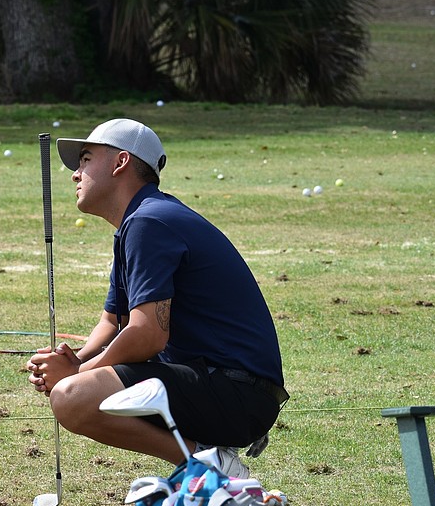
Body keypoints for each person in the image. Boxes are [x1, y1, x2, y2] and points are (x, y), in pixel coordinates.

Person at [25, 119, 287, 478]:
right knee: (73, 387)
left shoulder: (150, 222)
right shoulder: (140, 221)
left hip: (238, 392)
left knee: (73, 396)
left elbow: (148, 334)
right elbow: (112, 322)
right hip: (229, 386)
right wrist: (71, 359)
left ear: (120, 163)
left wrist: (75, 374)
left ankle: (207, 464)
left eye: (85, 159)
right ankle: (206, 456)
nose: (75, 174)